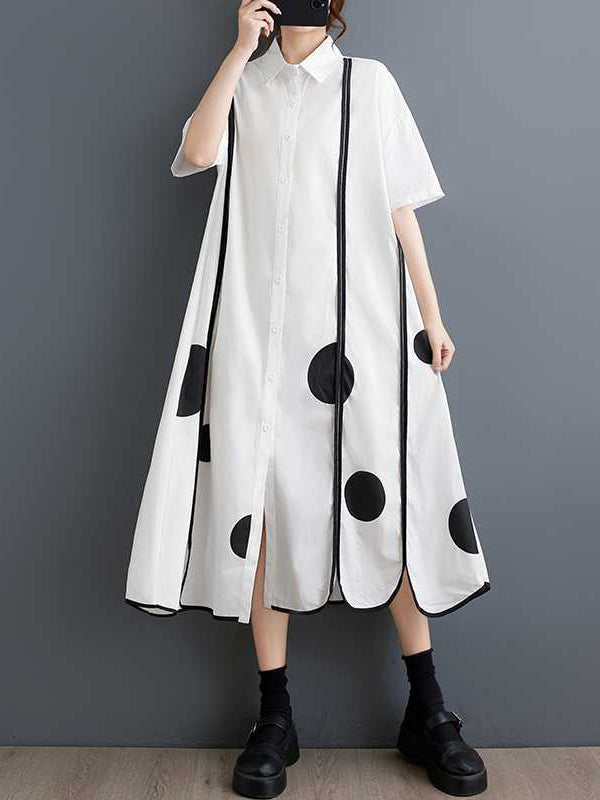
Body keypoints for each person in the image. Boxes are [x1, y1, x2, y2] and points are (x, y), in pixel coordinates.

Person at [125, 1, 491, 796]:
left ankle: (428, 709)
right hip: (259, 340)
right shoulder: (243, 87)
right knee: (262, 507)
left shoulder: (370, 84)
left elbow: (399, 205)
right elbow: (196, 152)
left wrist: (432, 316)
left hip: (366, 331)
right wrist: (239, 49)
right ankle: (275, 716)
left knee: (388, 498)